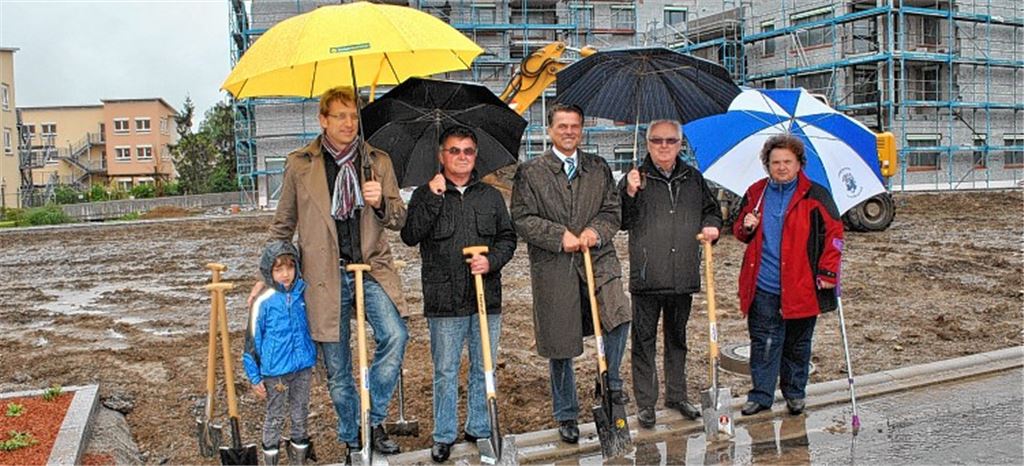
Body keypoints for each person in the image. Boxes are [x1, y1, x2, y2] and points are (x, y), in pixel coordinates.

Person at [251, 86, 409, 458]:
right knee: (337, 369)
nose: (349, 123)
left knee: (396, 336)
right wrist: (265, 276)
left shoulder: (377, 161)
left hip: (372, 269)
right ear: (323, 120)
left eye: (354, 116)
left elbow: (400, 219)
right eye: (340, 116)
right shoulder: (301, 163)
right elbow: (282, 225)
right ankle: (353, 433)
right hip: (324, 277)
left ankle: (372, 419)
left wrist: (380, 202)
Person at [510, 103, 631, 444]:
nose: (568, 132)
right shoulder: (531, 172)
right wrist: (557, 236)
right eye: (562, 126)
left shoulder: (598, 167)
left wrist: (596, 231)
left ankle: (609, 382)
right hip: (555, 266)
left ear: (582, 130)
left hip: (598, 261)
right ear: (550, 130)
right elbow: (521, 218)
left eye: (574, 126)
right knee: (560, 341)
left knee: (618, 318)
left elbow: (612, 210)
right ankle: (566, 413)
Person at [400, 126, 517, 463]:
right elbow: (411, 235)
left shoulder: (490, 196)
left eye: (468, 151)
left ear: (475, 155)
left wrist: (491, 261)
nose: (462, 156)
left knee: (484, 367)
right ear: (442, 156)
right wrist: (433, 198)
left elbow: (508, 238)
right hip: (444, 300)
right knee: (446, 370)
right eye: (454, 151)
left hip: (485, 298)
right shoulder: (426, 193)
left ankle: (479, 428)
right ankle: (444, 435)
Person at [620, 119, 722, 428]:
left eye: (670, 141)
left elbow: (712, 210)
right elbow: (621, 220)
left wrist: (712, 226)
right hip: (648, 276)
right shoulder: (635, 178)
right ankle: (646, 403)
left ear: (680, 145)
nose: (663, 146)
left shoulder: (693, 178)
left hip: (683, 275)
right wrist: (629, 192)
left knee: (678, 339)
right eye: (657, 141)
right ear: (648, 143)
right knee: (644, 342)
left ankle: (677, 395)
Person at [732, 134, 843, 416]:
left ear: (799, 164)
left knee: (797, 344)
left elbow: (835, 235)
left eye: (787, 162)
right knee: (764, 342)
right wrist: (747, 226)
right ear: (767, 164)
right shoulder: (756, 193)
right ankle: (761, 395)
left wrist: (828, 271)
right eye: (775, 162)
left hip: (802, 285)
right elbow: (739, 232)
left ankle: (794, 393)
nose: (781, 167)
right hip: (763, 284)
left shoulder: (815, 195)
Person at [243, 240, 318, 465]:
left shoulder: (303, 293)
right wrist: (254, 375)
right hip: (275, 372)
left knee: (300, 415)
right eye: (279, 269)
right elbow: (251, 341)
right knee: (275, 417)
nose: (285, 274)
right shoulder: (263, 301)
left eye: (290, 267)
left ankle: (298, 460)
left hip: (302, 367)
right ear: (269, 271)